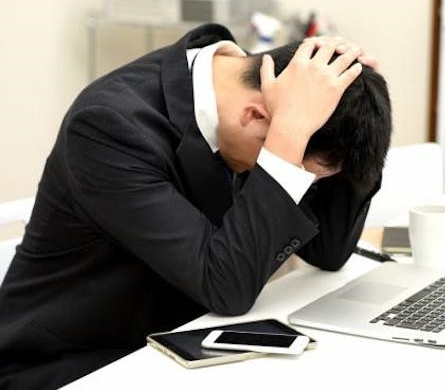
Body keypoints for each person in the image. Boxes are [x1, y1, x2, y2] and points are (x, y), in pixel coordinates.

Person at [0, 23, 391, 388]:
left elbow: (329, 251)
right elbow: (226, 288)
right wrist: (286, 138)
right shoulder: (108, 127)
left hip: (184, 343)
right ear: (256, 116)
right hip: (74, 363)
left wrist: (364, 110)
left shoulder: (250, 96)